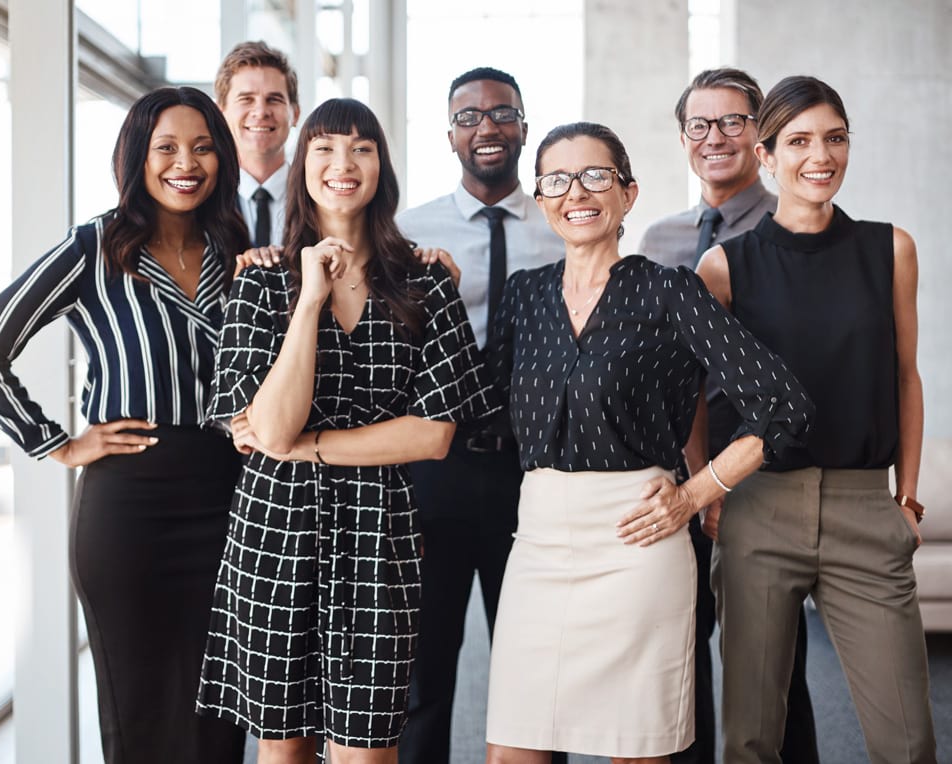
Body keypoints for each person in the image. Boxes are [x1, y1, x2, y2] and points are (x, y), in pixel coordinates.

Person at [483, 121, 814, 763]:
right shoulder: (523, 295)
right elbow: (479, 412)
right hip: (538, 545)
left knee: (634, 751)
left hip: (638, 541)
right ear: (542, 197)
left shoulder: (669, 291)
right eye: (557, 178)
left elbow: (784, 405)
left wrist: (696, 493)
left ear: (628, 195)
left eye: (596, 175)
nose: (576, 191)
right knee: (512, 751)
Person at [0, 87, 250, 763]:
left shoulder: (238, 249)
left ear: (221, 159)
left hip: (229, 496)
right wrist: (55, 442)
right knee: (136, 707)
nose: (186, 162)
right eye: (165, 147)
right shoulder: (96, 246)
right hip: (129, 503)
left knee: (219, 712)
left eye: (202, 146)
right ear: (137, 157)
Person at [195, 97, 500, 764]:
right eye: (326, 148)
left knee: (369, 751)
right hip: (276, 535)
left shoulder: (426, 282)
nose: (343, 164)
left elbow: (433, 436)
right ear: (303, 165)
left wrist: (312, 448)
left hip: (379, 539)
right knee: (285, 749)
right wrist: (308, 300)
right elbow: (271, 428)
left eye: (361, 148)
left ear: (381, 169)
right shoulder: (261, 284)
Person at [696, 75, 937, 764]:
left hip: (866, 508)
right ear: (765, 156)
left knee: (908, 740)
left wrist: (908, 498)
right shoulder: (724, 267)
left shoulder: (890, 249)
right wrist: (704, 486)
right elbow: (694, 394)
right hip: (761, 509)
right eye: (798, 141)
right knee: (750, 739)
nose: (819, 156)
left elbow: (904, 376)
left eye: (834, 138)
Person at [638, 68, 818, 764]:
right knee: (677, 665)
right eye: (699, 125)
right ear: (684, 138)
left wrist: (727, 477)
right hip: (676, 479)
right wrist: (686, 478)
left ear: (762, 133)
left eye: (734, 122)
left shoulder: (793, 227)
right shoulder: (657, 240)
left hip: (765, 480)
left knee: (775, 675)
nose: (716, 138)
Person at [396, 66, 565, 764]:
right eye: (470, 117)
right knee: (423, 677)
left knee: (537, 673)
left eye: (502, 114)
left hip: (534, 475)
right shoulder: (407, 233)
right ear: (450, 135)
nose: (486, 127)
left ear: (523, 126)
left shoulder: (565, 225)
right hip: (434, 471)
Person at [216, 40, 300, 247]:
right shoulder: (202, 200)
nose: (261, 112)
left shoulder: (318, 198)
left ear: (295, 114)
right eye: (246, 99)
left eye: (274, 99)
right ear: (221, 114)